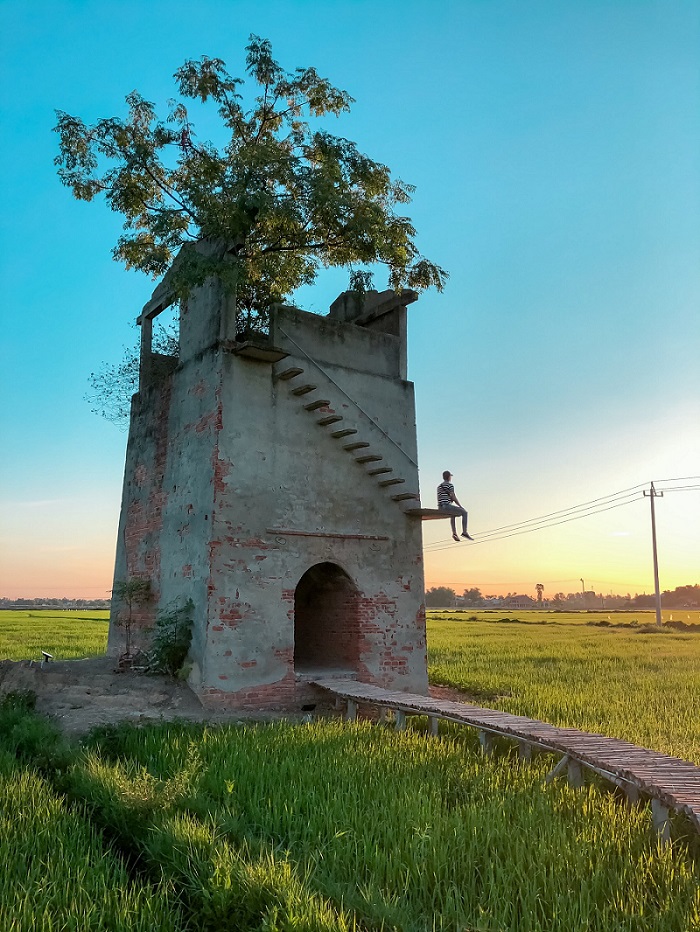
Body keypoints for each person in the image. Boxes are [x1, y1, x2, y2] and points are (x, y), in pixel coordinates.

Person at [437, 470, 474, 542]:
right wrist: (460, 506)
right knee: (465, 513)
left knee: (452, 514)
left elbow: (440, 498)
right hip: (446, 506)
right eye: (450, 476)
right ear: (448, 477)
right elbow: (453, 496)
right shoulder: (450, 485)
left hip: (440, 507)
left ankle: (454, 533)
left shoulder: (439, 487)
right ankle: (464, 532)